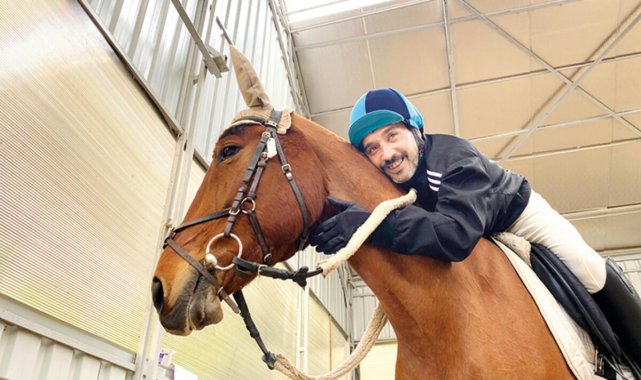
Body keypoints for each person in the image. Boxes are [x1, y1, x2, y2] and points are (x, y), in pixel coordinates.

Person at [309, 88, 641, 368]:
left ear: (416, 130)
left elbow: (454, 236)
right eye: (373, 148)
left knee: (587, 267)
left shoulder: (455, 157)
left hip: (517, 217)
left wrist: (371, 223)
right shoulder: (392, 182)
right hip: (470, 231)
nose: (387, 154)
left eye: (392, 136)